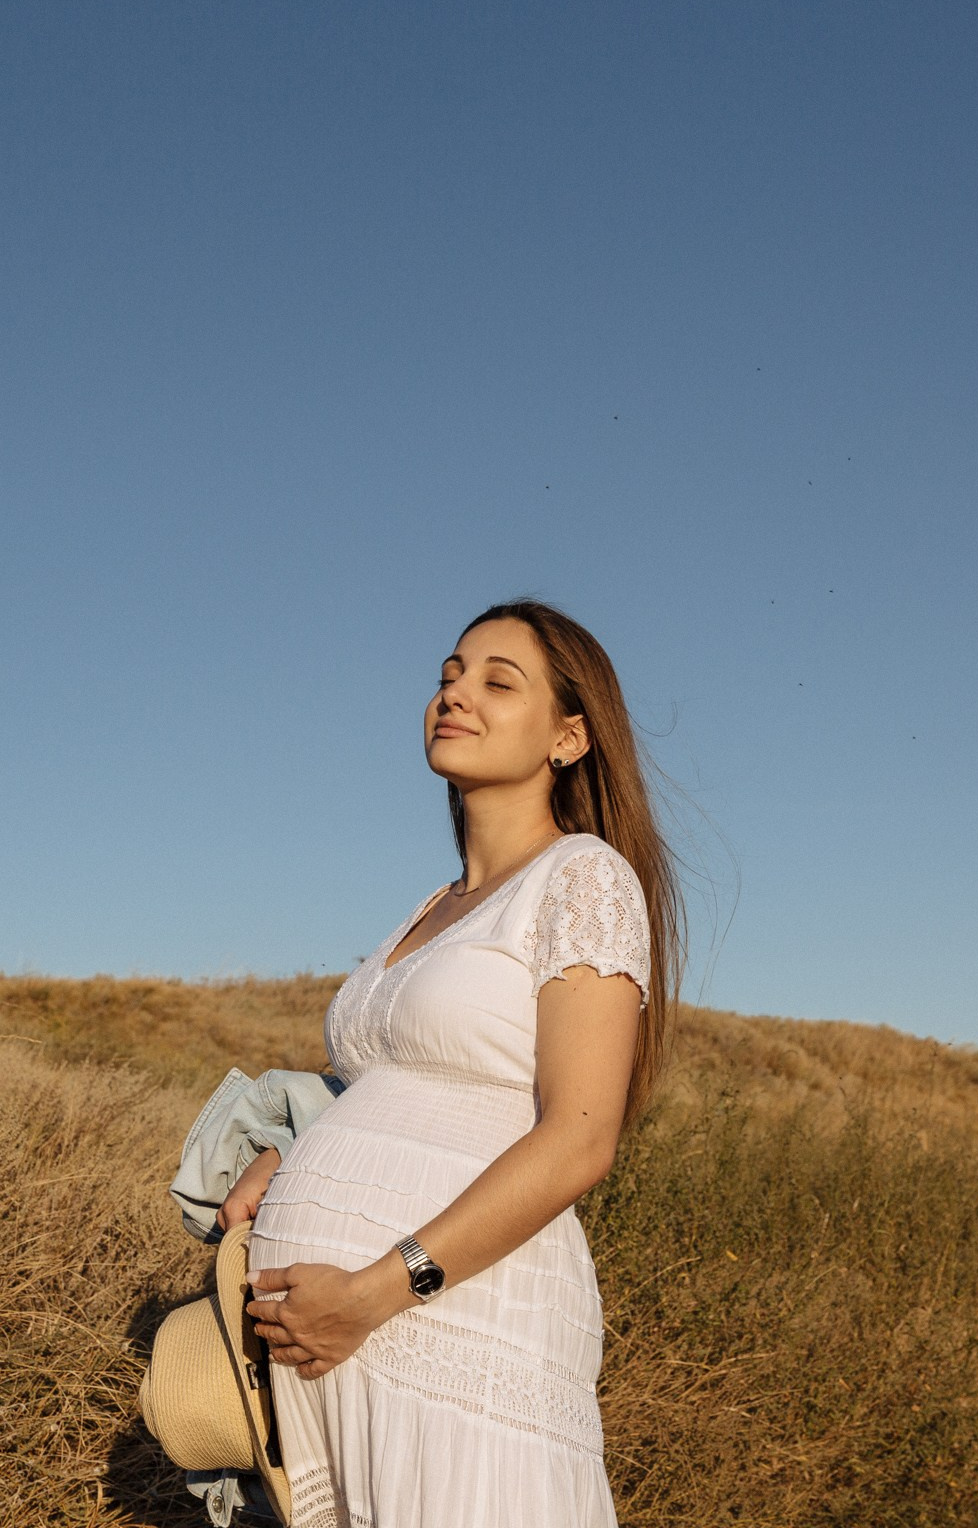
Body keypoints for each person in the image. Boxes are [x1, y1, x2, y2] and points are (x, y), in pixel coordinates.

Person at [231, 599, 683, 1528]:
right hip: (337, 1338)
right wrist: (287, 1154)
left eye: (496, 682)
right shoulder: (432, 905)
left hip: (452, 1319)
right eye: (448, 674)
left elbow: (581, 1139)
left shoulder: (583, 877)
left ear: (569, 738)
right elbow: (393, 1088)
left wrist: (375, 1291)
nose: (455, 694)